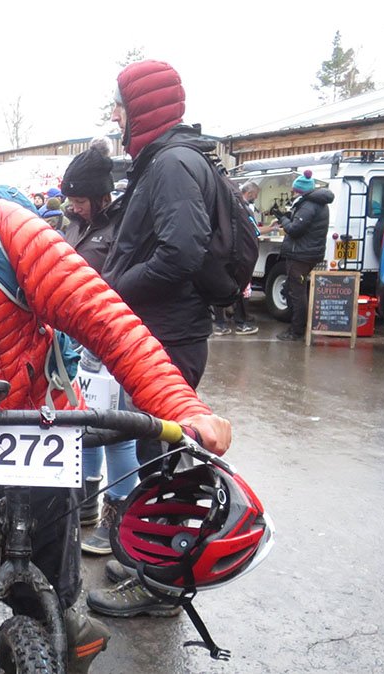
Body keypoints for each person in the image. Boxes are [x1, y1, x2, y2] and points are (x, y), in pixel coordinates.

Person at [0, 94, 231, 666]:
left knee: (50, 595)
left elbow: (105, 319)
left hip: (39, 432)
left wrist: (182, 407)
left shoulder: (3, 229)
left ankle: (54, 635)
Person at [93, 58, 224, 618]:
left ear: (139, 109)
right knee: (155, 457)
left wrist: (115, 288)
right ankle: (148, 562)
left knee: (163, 458)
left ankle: (163, 586)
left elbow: (181, 251)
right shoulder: (164, 160)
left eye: (119, 106)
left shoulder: (170, 164)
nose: (115, 117)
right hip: (164, 331)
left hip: (169, 336)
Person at [59, 140, 138, 556]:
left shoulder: (123, 225)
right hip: (77, 341)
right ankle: (87, 506)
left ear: (101, 195)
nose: (73, 206)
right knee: (83, 425)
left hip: (112, 339)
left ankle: (118, 521)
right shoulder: (73, 223)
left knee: (118, 433)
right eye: (70, 199)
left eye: (79, 199)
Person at [275, 170, 333, 341]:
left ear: (299, 190)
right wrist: (289, 217)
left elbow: (295, 229)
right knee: (294, 289)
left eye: (294, 190)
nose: (292, 192)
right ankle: (297, 327)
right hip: (308, 253)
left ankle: (296, 331)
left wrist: (283, 220)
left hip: (300, 254)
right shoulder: (316, 203)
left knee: (297, 292)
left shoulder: (308, 205)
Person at [214, 182, 261, 336]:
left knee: (220, 287)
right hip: (239, 255)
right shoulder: (244, 209)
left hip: (221, 252)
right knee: (240, 288)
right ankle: (240, 323)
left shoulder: (220, 207)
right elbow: (254, 231)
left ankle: (220, 325)